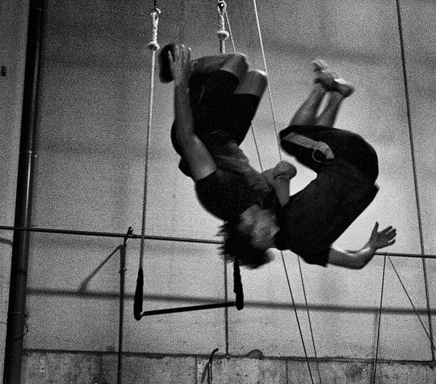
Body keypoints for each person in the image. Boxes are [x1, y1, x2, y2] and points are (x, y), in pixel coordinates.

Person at [224, 61, 396, 269]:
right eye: (252, 220)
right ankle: (323, 85)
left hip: (362, 171)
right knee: (290, 138)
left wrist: (372, 245)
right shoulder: (280, 215)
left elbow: (357, 261)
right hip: (349, 157)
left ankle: (338, 92)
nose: (256, 213)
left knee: (314, 146)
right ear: (258, 236)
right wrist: (280, 178)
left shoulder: (307, 249)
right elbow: (280, 175)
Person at [162, 43, 296, 226]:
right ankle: (201, 81)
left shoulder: (221, 200)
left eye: (266, 233)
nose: (272, 230)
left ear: (246, 232)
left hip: (199, 132)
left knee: (238, 61)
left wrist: (180, 82)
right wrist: (286, 173)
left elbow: (186, 138)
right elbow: (273, 177)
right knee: (258, 78)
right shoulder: (270, 210)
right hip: (228, 137)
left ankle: (188, 71)